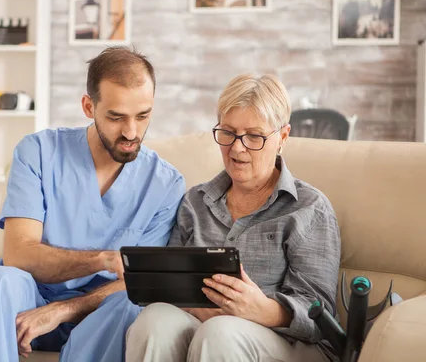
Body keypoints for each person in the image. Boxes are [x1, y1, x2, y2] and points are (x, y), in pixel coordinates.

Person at [0, 47, 185, 362]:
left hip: (99, 318)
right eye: (116, 117)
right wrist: (103, 260)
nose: (131, 132)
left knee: (133, 303)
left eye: (143, 115)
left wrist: (64, 310)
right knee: (0, 281)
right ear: (88, 106)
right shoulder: (37, 152)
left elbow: (140, 283)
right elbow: (18, 254)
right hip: (28, 303)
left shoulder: (166, 185)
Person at [125, 74, 341, 362]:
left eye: (253, 136)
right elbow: (169, 286)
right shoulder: (195, 203)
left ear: (283, 137)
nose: (237, 148)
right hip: (206, 328)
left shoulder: (309, 209)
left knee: (220, 332)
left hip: (286, 342)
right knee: (154, 321)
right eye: (228, 132)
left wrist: (261, 309)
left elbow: (318, 316)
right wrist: (196, 305)